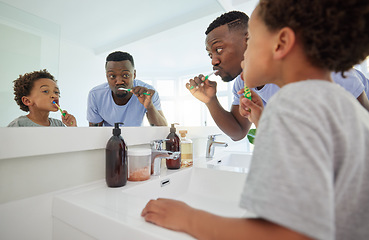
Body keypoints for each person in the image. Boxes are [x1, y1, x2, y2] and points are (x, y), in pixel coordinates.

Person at [142, 1, 369, 240]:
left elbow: (291, 234)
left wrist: (189, 219)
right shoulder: (322, 97)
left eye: (251, 42)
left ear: (280, 44)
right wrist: (264, 120)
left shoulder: (295, 102)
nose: (243, 57)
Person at [186, 11, 369, 141]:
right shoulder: (244, 87)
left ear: (249, 39)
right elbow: (239, 131)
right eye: (210, 54)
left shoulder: (319, 68)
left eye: (218, 49)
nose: (213, 61)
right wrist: (211, 101)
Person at [87, 51, 167, 127]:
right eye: (112, 76)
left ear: (134, 75)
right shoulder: (96, 95)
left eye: (125, 75)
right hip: (109, 140)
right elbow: (94, 131)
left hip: (137, 139)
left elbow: (163, 130)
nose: (119, 82)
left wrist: (150, 107)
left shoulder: (148, 93)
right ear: (106, 76)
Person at [7, 69, 77, 127]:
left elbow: (69, 143)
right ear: (27, 101)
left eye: (56, 92)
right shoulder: (19, 125)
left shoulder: (58, 125)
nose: (54, 95)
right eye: (45, 91)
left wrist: (72, 127)